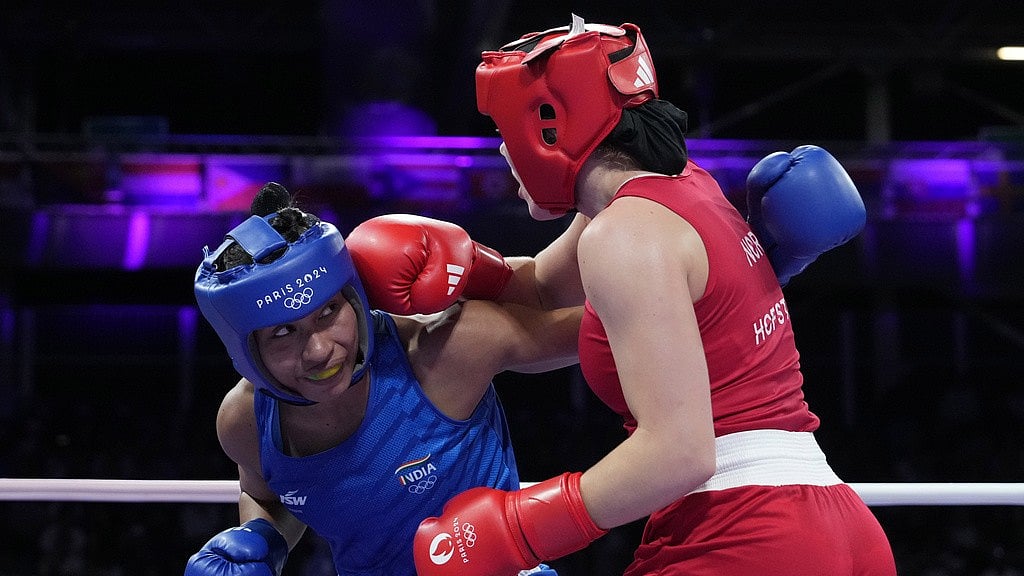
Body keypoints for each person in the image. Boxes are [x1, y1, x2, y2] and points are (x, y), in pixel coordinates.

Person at [410, 14, 898, 576]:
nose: (500, 151)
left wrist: (519, 528)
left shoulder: (624, 233)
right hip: (834, 523)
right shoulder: (683, 188)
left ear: (548, 126)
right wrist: (460, 267)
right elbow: (540, 289)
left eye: (502, 132)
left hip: (743, 531)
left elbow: (679, 452)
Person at [185, 182, 578, 576]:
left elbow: (609, 328)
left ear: (353, 298)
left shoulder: (445, 351)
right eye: (283, 333)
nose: (320, 350)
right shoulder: (244, 422)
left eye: (328, 312)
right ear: (246, 351)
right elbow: (267, 495)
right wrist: (262, 539)